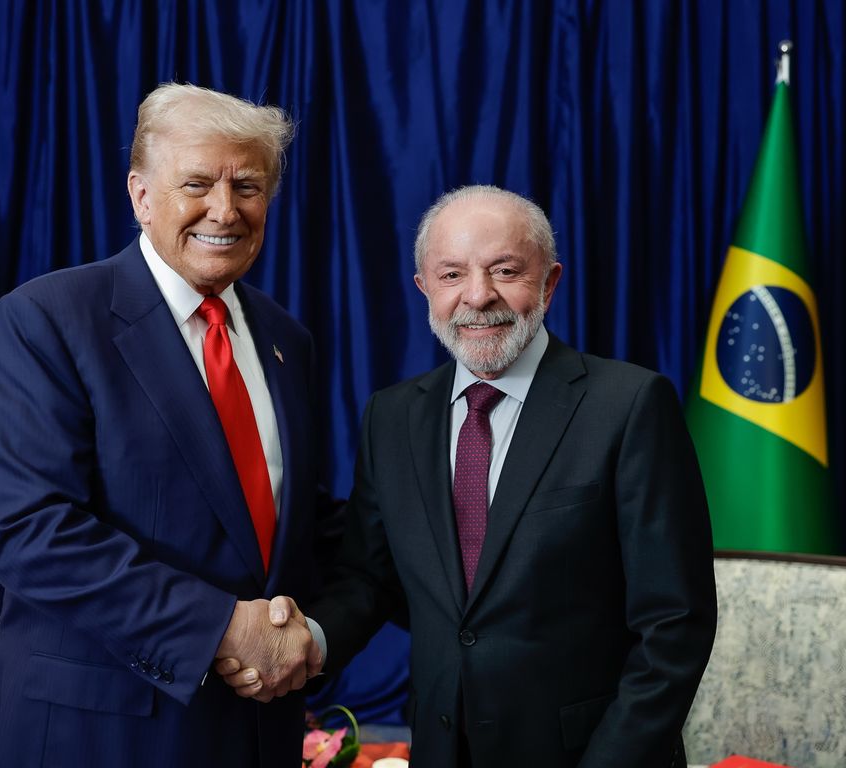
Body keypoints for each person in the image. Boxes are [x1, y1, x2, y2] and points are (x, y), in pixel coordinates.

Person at [221, 185, 718, 768]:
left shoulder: (630, 405)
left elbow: (675, 624)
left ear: (549, 282)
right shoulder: (394, 416)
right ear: (425, 289)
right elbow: (367, 577)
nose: (478, 297)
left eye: (505, 270)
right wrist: (308, 643)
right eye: (452, 275)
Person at [0, 82, 327, 768]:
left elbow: (290, 531)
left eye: (247, 185)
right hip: (97, 733)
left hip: (251, 732)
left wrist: (299, 638)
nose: (225, 209)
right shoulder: (47, 320)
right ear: (140, 195)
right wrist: (222, 628)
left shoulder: (285, 339)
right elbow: (32, 530)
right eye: (196, 183)